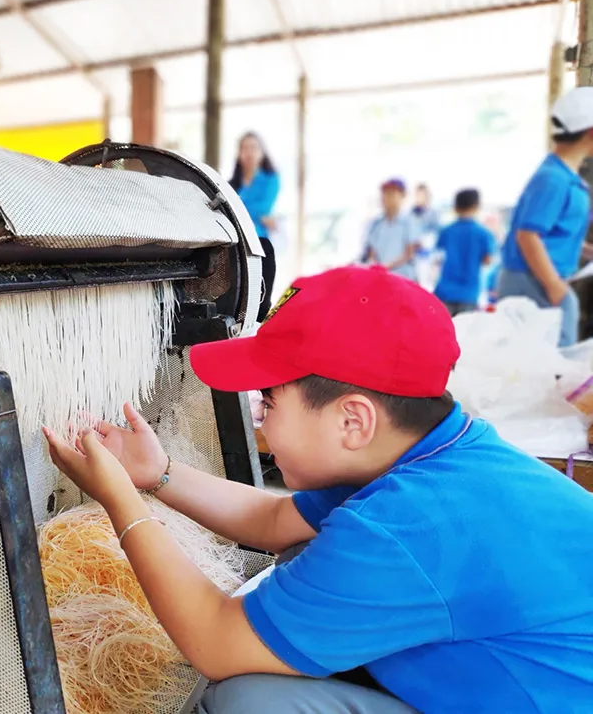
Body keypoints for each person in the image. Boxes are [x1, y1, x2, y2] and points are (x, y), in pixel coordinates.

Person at [44, 265, 593, 714]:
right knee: (304, 553)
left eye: (270, 402)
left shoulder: (409, 524)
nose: (260, 423)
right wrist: (157, 474)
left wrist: (120, 500)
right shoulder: (439, 453)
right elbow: (273, 522)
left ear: (352, 422)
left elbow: (214, 643)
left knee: (249, 702)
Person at [499, 87, 593, 347]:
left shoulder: (563, 176)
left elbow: (552, 233)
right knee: (553, 364)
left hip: (537, 277)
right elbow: (528, 235)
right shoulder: (553, 179)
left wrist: (586, 251)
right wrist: (553, 284)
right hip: (531, 280)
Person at [433, 188, 496, 316]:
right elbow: (488, 260)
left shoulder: (447, 231)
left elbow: (437, 257)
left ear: (455, 207)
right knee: (464, 332)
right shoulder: (484, 233)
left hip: (445, 290)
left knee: (444, 330)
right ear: (476, 206)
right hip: (469, 292)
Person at [360, 178, 419, 281]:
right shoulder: (376, 224)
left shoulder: (409, 222)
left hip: (404, 279)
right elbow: (372, 252)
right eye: (385, 194)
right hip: (381, 278)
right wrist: (376, 266)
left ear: (402, 196)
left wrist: (387, 266)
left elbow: (409, 253)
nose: (387, 198)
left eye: (392, 194)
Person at [229, 131, 280, 239]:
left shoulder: (271, 179)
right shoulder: (231, 184)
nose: (249, 153)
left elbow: (264, 208)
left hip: (259, 237)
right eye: (245, 148)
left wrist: (236, 209)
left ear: (262, 152)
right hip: (234, 236)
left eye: (253, 148)